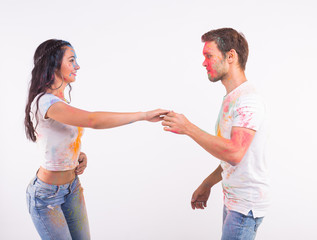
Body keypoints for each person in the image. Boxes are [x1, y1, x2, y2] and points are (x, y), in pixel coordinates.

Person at [24, 39, 168, 240]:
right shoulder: (45, 102)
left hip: (72, 187)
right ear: (53, 63)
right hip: (46, 196)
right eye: (72, 60)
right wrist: (143, 115)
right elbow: (93, 120)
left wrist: (76, 156)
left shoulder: (60, 101)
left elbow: (55, 141)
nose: (77, 66)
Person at [162, 28, 270, 240]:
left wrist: (188, 128)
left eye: (208, 55)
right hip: (234, 202)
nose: (204, 63)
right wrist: (207, 184)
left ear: (231, 56)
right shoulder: (232, 98)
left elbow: (234, 153)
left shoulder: (248, 100)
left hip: (245, 208)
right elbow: (233, 161)